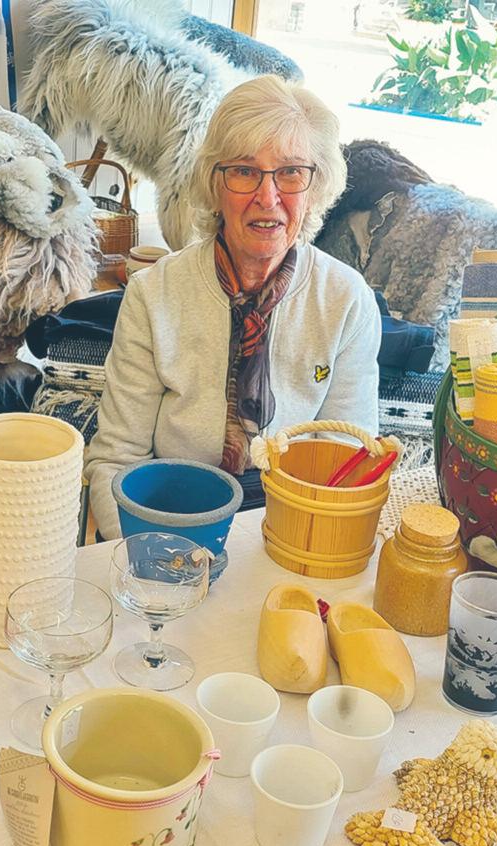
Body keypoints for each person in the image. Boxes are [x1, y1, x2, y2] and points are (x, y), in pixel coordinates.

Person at [84, 75, 381, 541]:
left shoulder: (347, 300)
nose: (268, 197)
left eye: (291, 172)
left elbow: (347, 462)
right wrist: (142, 554)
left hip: (292, 517)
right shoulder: (152, 293)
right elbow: (116, 459)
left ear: (316, 187)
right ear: (214, 184)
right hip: (170, 515)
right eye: (244, 171)